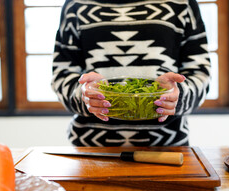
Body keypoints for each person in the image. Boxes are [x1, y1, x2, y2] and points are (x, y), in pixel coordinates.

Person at [52, 0, 211, 147]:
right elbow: (62, 74)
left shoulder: (182, 3)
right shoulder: (76, 4)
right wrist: (84, 96)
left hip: (167, 150)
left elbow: (200, 73)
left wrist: (179, 96)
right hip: (91, 151)